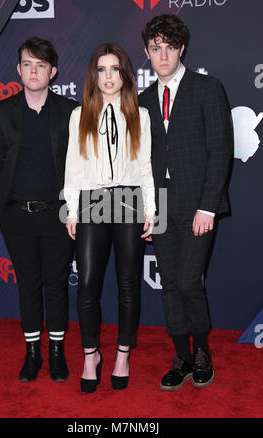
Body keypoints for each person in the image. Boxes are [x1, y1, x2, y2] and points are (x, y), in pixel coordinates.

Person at [138, 14, 233, 390]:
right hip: (159, 207)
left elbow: (220, 150)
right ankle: (180, 356)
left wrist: (208, 207)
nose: (163, 55)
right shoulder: (142, 99)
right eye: (155, 48)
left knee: (189, 281)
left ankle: (202, 351)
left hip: (198, 206)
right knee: (170, 285)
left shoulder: (207, 88)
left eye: (169, 47)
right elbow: (139, 162)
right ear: (147, 52)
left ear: (182, 49)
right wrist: (144, 211)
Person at [64, 43, 156, 393]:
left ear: (125, 74)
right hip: (91, 199)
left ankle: (121, 355)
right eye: (101, 70)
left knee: (128, 284)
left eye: (115, 69)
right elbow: (73, 168)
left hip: (130, 199)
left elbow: (146, 166)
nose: (108, 77)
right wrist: (71, 210)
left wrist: (152, 210)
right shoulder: (80, 115)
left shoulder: (140, 115)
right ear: (93, 75)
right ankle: (90, 355)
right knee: (88, 282)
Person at [0, 37, 78, 382]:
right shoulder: (2, 111)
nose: (34, 71)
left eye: (41, 65)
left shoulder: (70, 111)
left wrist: (74, 210)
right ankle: (32, 353)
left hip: (57, 213)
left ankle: (56, 352)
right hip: (15, 214)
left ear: (52, 71)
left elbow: (80, 164)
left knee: (56, 284)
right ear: (18, 70)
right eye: (28, 64)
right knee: (27, 284)